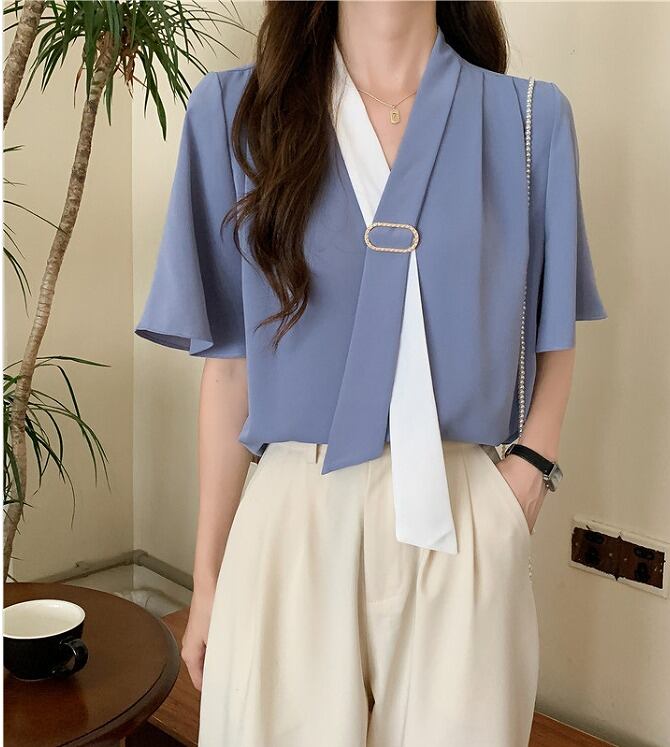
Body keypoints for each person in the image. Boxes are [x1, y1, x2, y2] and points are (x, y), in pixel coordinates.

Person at [135, 2, 607, 745]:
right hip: (292, 518)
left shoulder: (526, 123)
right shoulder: (236, 114)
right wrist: (210, 577)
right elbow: (229, 373)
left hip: (462, 512)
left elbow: (554, 324)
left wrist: (525, 478)